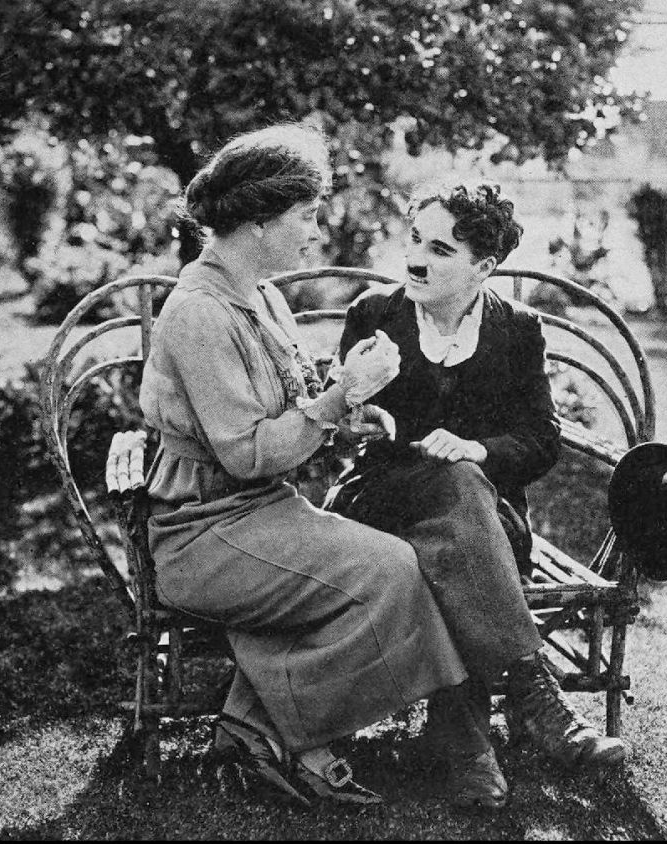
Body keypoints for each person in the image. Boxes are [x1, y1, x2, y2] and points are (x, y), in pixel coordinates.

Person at [138, 124, 471, 808]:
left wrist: (353, 407)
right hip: (200, 532)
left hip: (253, 513)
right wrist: (339, 396)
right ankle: (277, 733)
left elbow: (296, 402)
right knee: (389, 571)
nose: (316, 232)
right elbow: (249, 452)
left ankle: (257, 728)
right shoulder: (199, 311)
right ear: (259, 220)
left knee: (393, 562)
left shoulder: (260, 294)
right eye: (306, 215)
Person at [326, 182, 627, 808]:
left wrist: (479, 450)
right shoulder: (374, 314)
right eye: (413, 240)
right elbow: (340, 424)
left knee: (455, 514)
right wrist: (356, 420)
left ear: (483, 267)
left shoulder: (515, 330)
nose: (415, 259)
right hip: (379, 506)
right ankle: (530, 696)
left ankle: (466, 747)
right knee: (454, 527)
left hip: (482, 519)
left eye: (438, 249)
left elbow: (541, 439)